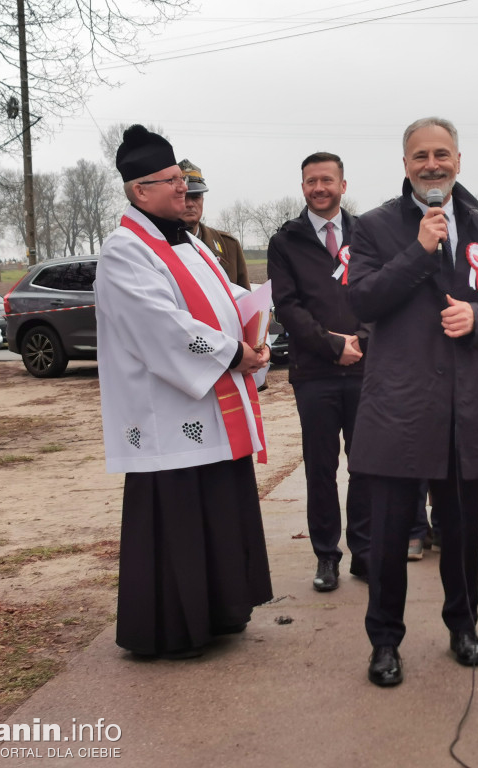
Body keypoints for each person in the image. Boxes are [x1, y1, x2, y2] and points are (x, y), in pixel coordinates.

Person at [348, 117, 478, 686]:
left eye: (441, 154)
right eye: (420, 155)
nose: (432, 164)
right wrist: (420, 252)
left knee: (462, 530)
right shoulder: (375, 227)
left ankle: (463, 625)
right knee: (392, 534)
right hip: (401, 407)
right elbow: (363, 300)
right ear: (405, 165)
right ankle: (384, 641)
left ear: (457, 160)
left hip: (463, 406)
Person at [96, 125, 273, 659]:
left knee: (218, 505)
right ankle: (174, 628)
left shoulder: (189, 242)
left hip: (211, 403)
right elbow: (160, 326)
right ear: (139, 191)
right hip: (167, 411)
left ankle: (221, 611)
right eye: (172, 180)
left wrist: (257, 330)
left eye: (183, 180)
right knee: (178, 518)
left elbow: (229, 296)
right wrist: (230, 353)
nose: (184, 189)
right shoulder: (125, 250)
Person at [267, 151, 370, 592]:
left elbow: (383, 292)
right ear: (303, 186)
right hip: (315, 374)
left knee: (366, 466)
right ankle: (326, 555)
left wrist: (362, 340)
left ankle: (365, 552)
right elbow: (287, 306)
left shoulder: (367, 234)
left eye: (327, 180)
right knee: (321, 470)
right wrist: (331, 346)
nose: (319, 188)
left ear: (343, 185)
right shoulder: (285, 241)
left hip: (367, 369)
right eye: (311, 181)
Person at [177, 159, 250, 289]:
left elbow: (247, 302)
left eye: (195, 197)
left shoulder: (229, 246)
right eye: (183, 197)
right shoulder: (158, 246)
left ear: (203, 200)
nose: (189, 204)